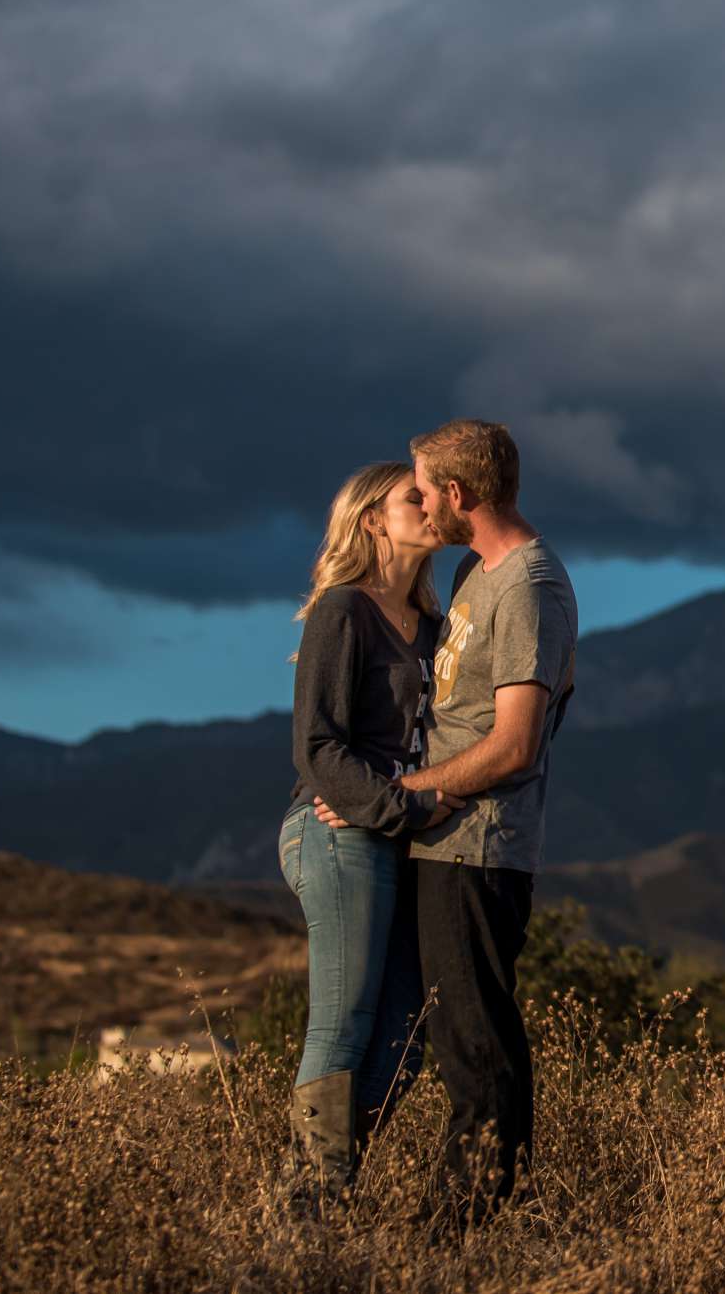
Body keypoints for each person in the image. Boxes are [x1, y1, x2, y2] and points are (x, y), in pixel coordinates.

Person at [319, 417, 576, 1223]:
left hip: (481, 848)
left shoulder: (529, 584)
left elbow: (517, 744)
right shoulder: (474, 572)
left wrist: (408, 788)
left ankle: (463, 1231)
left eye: (426, 490)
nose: (421, 503)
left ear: (459, 494)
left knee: (477, 1045)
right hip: (439, 840)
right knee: (443, 1037)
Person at [278, 461, 458, 1205]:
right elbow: (318, 749)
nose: (429, 504)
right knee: (345, 1019)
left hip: (402, 836)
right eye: (412, 496)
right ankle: (305, 1207)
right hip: (338, 830)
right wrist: (397, 808)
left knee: (408, 1030)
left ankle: (326, 1186)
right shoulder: (342, 614)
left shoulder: (439, 629)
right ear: (373, 521)